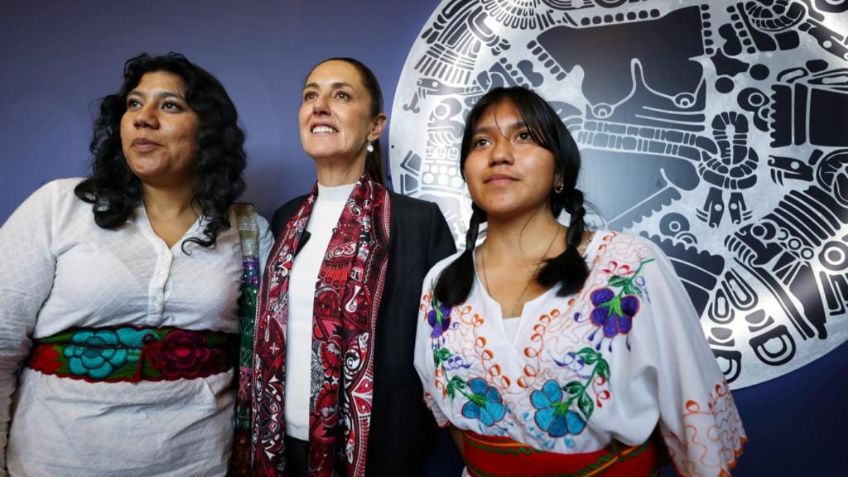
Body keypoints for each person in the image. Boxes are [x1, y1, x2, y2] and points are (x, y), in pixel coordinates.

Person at [413, 86, 746, 477]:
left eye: (523, 137)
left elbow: (694, 408)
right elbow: (443, 407)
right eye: (481, 141)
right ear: (467, 172)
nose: (499, 154)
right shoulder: (442, 281)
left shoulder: (628, 264)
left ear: (559, 172)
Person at [0, 53, 273, 476]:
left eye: (169, 105)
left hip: (196, 464)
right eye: (133, 104)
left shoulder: (248, 232)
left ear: (208, 131)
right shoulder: (60, 207)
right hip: (52, 461)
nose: (143, 118)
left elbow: (269, 359)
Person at [246, 57, 455, 477]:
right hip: (282, 447)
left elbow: (445, 347)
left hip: (378, 450)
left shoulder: (417, 222)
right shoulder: (285, 220)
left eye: (340, 95)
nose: (320, 106)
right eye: (310, 96)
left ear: (376, 126)